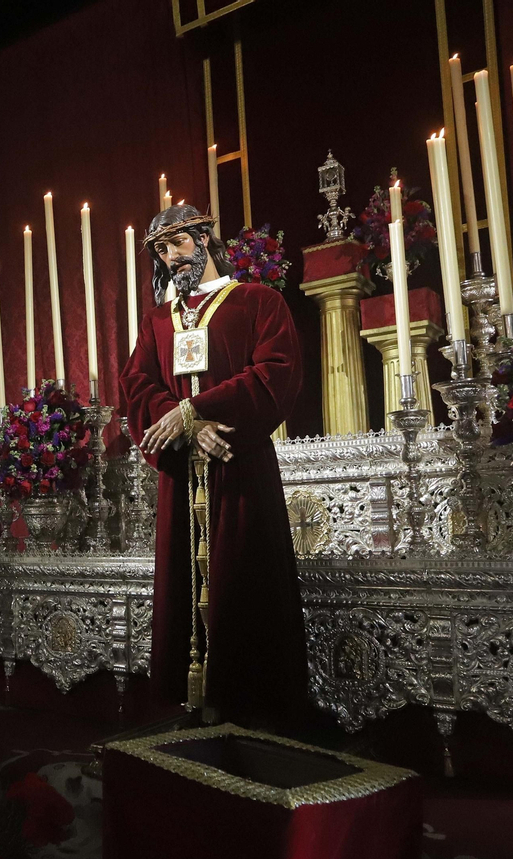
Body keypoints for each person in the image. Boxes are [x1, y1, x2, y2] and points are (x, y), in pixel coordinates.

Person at [119, 203, 311, 730]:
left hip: (239, 464)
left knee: (243, 577)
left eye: (178, 242)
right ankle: (192, 701)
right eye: (160, 249)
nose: (169, 255)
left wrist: (198, 410)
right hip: (184, 473)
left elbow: (276, 372)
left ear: (205, 238)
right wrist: (182, 423)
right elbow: (138, 383)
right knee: (184, 581)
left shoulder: (257, 301)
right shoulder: (158, 321)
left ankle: (250, 705)